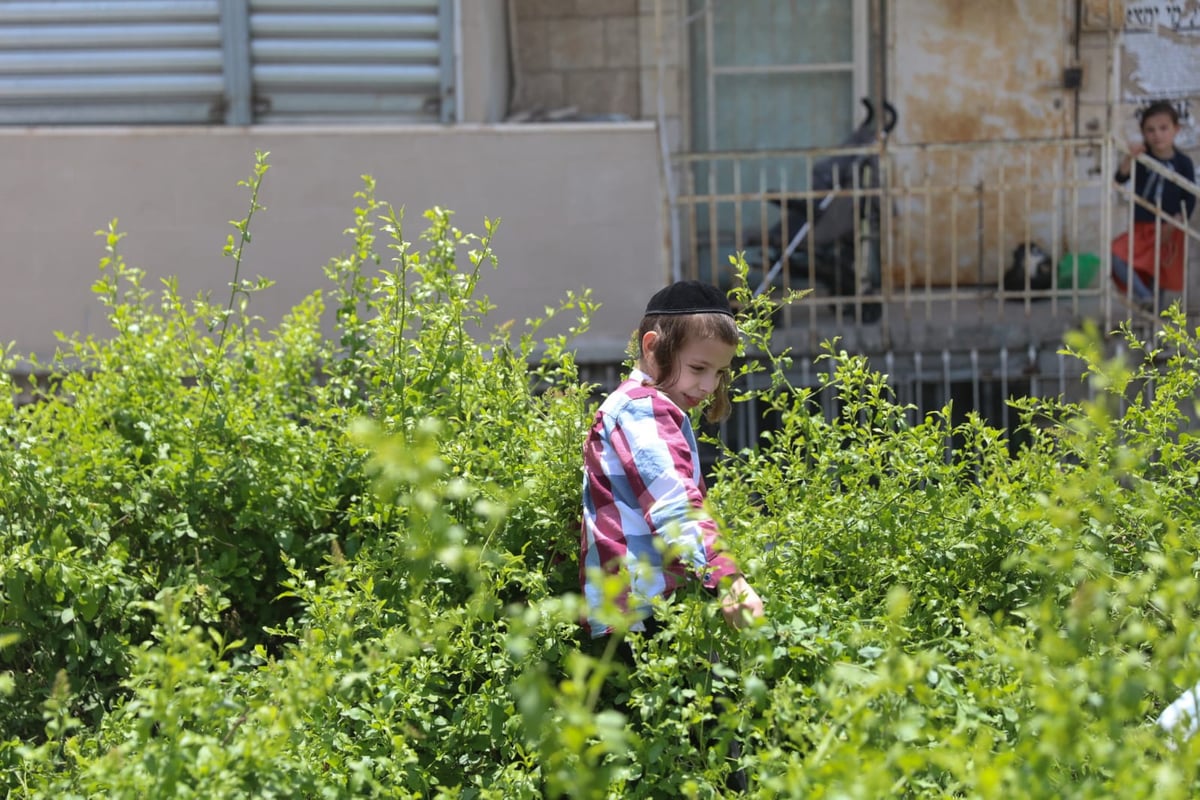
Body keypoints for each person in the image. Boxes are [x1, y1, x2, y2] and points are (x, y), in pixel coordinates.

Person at [578, 280, 765, 791]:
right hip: (654, 612)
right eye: (699, 368)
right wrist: (729, 580)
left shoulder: (629, 406)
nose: (708, 385)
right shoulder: (644, 410)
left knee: (664, 762)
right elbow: (674, 504)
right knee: (710, 759)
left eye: (720, 372)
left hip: (631, 612)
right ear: (653, 347)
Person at [1110, 100, 1197, 313]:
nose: (1157, 135)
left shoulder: (1183, 163)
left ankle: (1153, 329)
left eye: (1163, 128)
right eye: (1150, 130)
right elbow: (1120, 179)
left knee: (1159, 274)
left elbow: (1189, 198)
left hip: (1170, 228)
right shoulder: (1142, 159)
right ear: (1143, 133)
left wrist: (1175, 222)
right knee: (1117, 255)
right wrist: (1130, 157)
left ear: (1176, 130)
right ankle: (1144, 295)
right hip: (1143, 226)